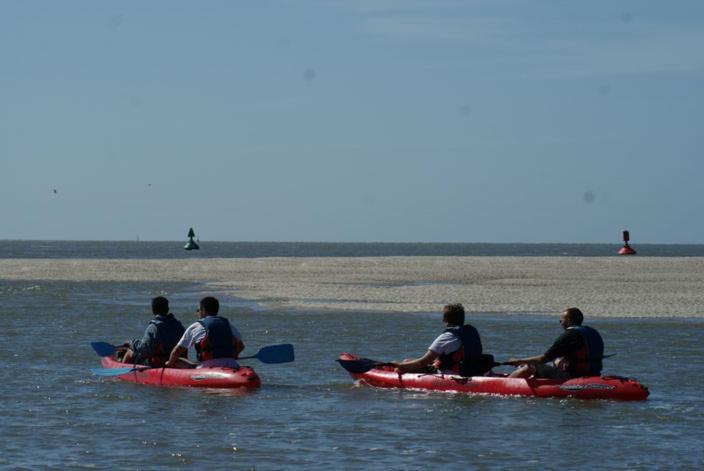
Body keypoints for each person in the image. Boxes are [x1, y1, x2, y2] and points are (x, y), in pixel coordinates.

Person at [507, 307, 604, 379]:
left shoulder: (569, 336)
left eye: (561, 320)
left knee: (529, 366)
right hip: (594, 373)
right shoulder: (592, 332)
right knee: (557, 361)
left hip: (573, 376)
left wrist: (519, 361)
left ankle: (504, 384)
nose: (560, 322)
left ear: (569, 320)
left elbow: (543, 359)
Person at [393, 303, 485, 375]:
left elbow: (423, 362)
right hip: (472, 370)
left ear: (445, 320)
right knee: (407, 361)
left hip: (451, 374)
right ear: (462, 319)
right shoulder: (471, 332)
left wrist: (400, 365)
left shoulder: (447, 336)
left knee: (400, 367)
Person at [166, 296, 245, 369]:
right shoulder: (228, 324)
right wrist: (234, 356)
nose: (198, 312)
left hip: (207, 367)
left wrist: (169, 363)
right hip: (231, 364)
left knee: (177, 360)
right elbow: (241, 346)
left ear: (203, 310)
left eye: (198, 310)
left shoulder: (196, 326)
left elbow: (176, 351)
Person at [121, 296, 186, 367]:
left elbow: (145, 350)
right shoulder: (179, 325)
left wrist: (131, 343)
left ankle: (122, 372)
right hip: (178, 361)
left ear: (153, 310)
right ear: (167, 309)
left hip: (160, 364)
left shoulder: (153, 327)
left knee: (130, 351)